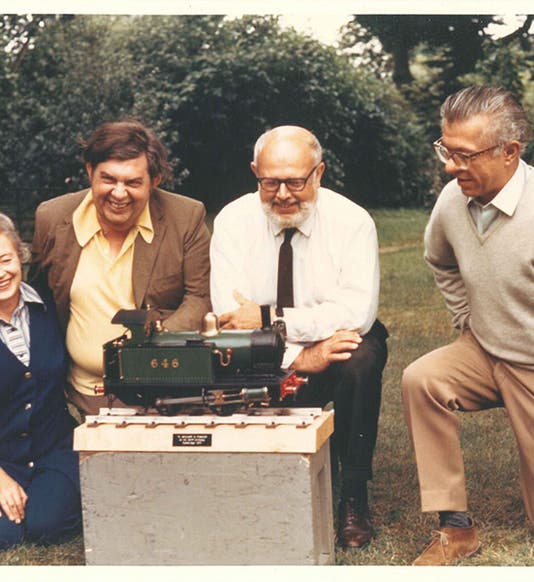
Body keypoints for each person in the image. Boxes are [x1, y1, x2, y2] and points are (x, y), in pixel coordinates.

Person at [210, 125, 388, 548]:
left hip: (337, 343)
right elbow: (233, 319)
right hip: (263, 352)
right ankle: (249, 482)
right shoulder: (233, 221)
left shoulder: (353, 222)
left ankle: (353, 496)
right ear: (255, 172)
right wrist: (298, 357)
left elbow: (356, 313)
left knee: (361, 357)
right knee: (223, 351)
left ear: (319, 173)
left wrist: (274, 319)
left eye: (296, 181)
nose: (283, 194)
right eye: (270, 182)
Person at [402, 85, 534, 565]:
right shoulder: (453, 200)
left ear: (509, 152)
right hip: (483, 348)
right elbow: (439, 260)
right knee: (423, 379)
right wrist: (465, 319)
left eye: (462, 155)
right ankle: (455, 529)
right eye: (445, 150)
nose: (449, 166)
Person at [31, 120, 211, 417]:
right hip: (79, 395)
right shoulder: (52, 218)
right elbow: (39, 300)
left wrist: (151, 344)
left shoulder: (186, 218)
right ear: (90, 171)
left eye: (132, 183)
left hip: (161, 389)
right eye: (108, 179)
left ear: (154, 181)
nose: (118, 193)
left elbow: (200, 298)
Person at [0, 213, 80, 549]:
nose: (1, 273)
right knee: (9, 536)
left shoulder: (49, 304)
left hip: (54, 449)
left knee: (45, 525)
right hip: (4, 460)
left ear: (20, 255)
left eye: (5, 259)